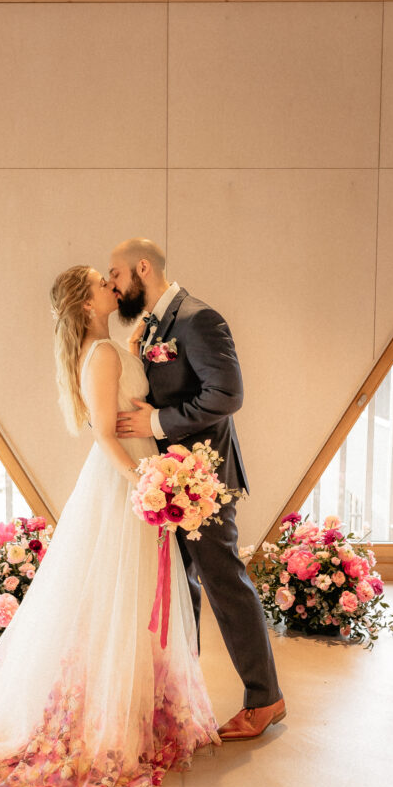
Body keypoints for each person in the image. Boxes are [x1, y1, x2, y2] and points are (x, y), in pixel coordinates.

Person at [0, 265, 220, 787]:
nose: (112, 284)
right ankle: (113, 707)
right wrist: (143, 482)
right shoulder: (103, 355)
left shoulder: (109, 347)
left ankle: (132, 700)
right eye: (100, 281)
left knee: (126, 596)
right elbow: (105, 434)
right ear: (87, 304)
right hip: (122, 481)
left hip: (131, 477)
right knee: (118, 594)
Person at [108, 238, 285, 740]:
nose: (114, 284)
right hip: (171, 483)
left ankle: (265, 699)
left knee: (224, 583)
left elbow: (227, 394)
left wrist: (158, 421)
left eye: (116, 273)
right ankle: (182, 695)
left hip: (204, 480)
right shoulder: (156, 325)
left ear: (143, 267)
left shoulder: (198, 319)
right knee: (180, 587)